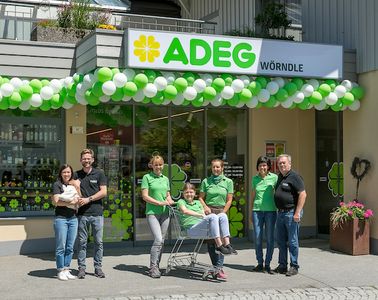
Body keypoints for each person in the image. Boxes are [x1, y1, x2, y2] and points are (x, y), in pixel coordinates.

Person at [199, 158, 236, 280]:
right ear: (211, 168)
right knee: (211, 241)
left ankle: (218, 268)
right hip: (209, 212)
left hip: (221, 212)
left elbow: (229, 199)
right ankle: (217, 269)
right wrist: (205, 207)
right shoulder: (206, 181)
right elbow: (200, 198)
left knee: (221, 240)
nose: (216, 169)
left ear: (222, 168)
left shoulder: (228, 182)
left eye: (218, 167)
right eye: (214, 167)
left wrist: (223, 213)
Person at [75, 149, 107, 279]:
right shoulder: (76, 175)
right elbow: (74, 194)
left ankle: (98, 268)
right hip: (82, 214)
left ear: (92, 160)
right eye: (84, 158)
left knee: (98, 242)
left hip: (97, 213)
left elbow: (104, 192)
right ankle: (81, 268)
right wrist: (77, 187)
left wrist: (89, 199)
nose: (86, 160)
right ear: (81, 160)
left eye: (88, 158)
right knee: (82, 242)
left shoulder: (99, 174)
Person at [177, 183, 233, 256]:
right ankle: (219, 246)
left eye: (191, 192)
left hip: (202, 229)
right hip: (191, 230)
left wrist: (206, 211)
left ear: (194, 193)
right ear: (183, 193)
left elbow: (204, 214)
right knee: (213, 216)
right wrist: (200, 214)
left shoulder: (198, 203)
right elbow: (185, 211)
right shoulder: (181, 201)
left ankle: (227, 244)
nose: (189, 194)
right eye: (186, 192)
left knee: (223, 215)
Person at [141, 155, 174, 278]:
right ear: (152, 165)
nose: (158, 167)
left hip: (165, 213)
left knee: (162, 241)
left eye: (160, 164)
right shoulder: (147, 177)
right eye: (156, 164)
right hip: (152, 213)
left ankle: (157, 266)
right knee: (158, 239)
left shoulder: (165, 179)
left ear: (163, 165)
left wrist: (171, 201)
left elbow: (167, 195)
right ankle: (153, 267)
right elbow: (145, 196)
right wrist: (159, 203)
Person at [273, 154, 306, 277]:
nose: (281, 165)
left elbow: (303, 194)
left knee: (292, 241)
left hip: (292, 213)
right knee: (281, 241)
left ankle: (294, 266)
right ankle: (282, 265)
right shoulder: (280, 177)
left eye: (284, 163)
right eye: (280, 163)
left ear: (290, 164)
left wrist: (297, 212)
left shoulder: (295, 177)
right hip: (280, 213)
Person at [52, 164, 81, 281]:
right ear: (61, 173)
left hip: (73, 218)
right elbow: (56, 202)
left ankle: (66, 269)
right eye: (64, 172)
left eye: (68, 172)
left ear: (71, 173)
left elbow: (79, 200)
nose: (66, 174)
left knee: (70, 247)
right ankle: (60, 270)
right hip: (61, 219)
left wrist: (77, 188)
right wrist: (71, 203)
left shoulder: (73, 185)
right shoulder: (57, 185)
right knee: (61, 246)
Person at [251, 156, 278, 274]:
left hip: (271, 211)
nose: (262, 167)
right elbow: (253, 195)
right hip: (257, 211)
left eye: (264, 165)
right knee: (257, 238)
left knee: (270, 238)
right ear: (258, 167)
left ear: (268, 167)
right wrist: (251, 211)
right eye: (260, 165)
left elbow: (279, 193)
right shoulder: (254, 179)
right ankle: (259, 263)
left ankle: (267, 264)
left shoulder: (274, 178)